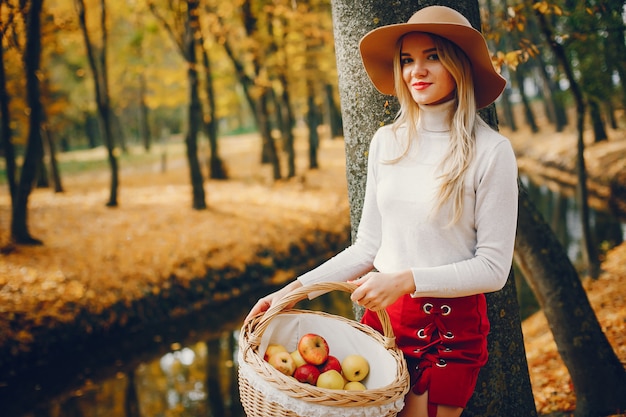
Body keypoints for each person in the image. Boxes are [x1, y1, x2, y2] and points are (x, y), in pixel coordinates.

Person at [245, 6, 518, 417]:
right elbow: (366, 247)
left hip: (445, 331)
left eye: (432, 56)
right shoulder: (386, 142)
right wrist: (287, 294)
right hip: (381, 327)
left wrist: (407, 280)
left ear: (458, 64)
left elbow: (494, 269)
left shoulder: (492, 151)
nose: (416, 71)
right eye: (407, 60)